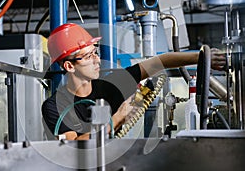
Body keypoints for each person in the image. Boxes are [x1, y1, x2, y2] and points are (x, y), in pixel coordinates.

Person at [42, 23, 226, 140]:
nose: (97, 60)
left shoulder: (108, 86)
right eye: (88, 56)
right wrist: (117, 118)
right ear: (69, 66)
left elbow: (158, 63)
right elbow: (74, 147)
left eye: (95, 52)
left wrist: (202, 57)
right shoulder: (55, 105)